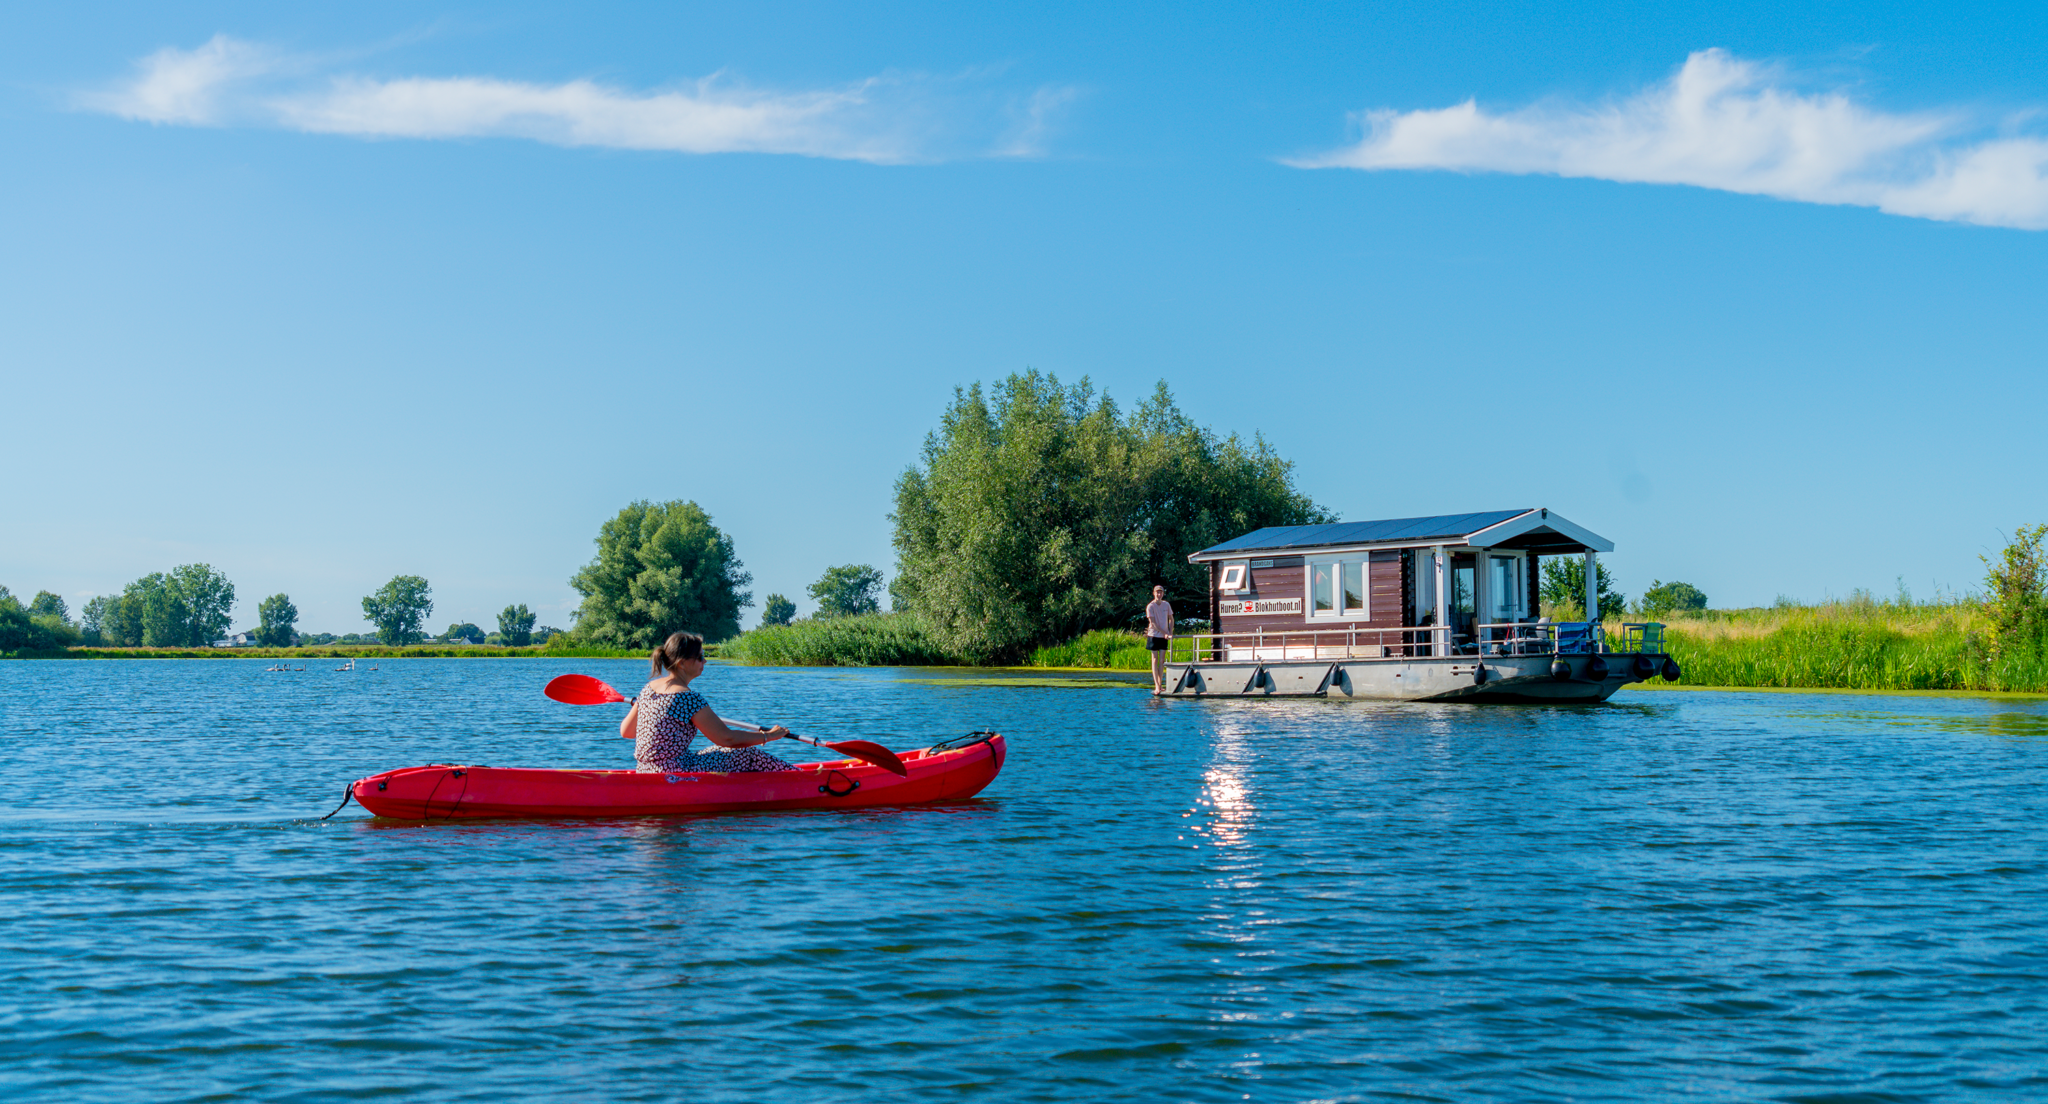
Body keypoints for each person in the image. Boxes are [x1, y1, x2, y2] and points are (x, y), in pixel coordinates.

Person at [621, 631, 798, 773]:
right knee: (747, 753)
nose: (704, 661)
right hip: (675, 773)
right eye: (700, 657)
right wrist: (768, 736)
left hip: (644, 771)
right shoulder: (688, 698)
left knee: (720, 750)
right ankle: (799, 780)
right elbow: (727, 738)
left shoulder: (648, 689)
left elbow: (627, 731)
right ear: (682, 663)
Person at [1145, 584, 1174, 694]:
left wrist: (1170, 632)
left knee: (1162, 660)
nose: (1159, 594)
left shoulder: (1166, 605)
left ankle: (1160, 684)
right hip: (1153, 635)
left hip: (1164, 636)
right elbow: (1152, 623)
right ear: (1154, 593)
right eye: (1157, 592)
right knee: (1155, 660)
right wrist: (1165, 632)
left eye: (1160, 592)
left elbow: (1171, 619)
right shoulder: (1150, 606)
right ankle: (1156, 686)